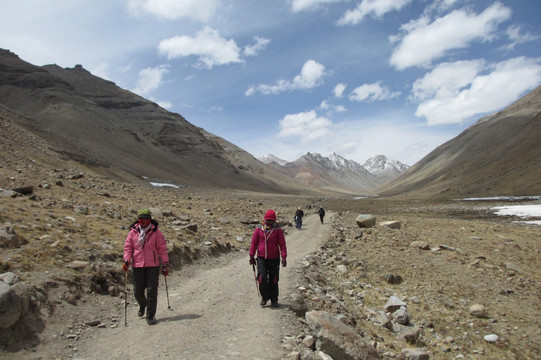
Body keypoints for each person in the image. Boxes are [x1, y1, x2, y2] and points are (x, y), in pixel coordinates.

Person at [123, 208, 169, 325]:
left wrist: (165, 264)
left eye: (145, 219)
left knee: (152, 291)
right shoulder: (133, 232)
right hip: (137, 265)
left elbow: (162, 249)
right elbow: (128, 247)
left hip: (152, 265)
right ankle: (143, 304)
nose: (143, 221)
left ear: (150, 219)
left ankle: (150, 315)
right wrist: (127, 260)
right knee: (138, 291)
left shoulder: (156, 232)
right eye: (140, 219)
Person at [249, 209, 287, 308]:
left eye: (271, 220)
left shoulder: (278, 230)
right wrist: (251, 255)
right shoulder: (259, 229)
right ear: (265, 219)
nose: (269, 222)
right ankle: (265, 297)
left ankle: (274, 299)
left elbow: (282, 244)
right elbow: (254, 243)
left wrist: (284, 257)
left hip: (274, 259)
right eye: (268, 220)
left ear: (274, 220)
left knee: (274, 280)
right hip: (261, 258)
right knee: (262, 279)